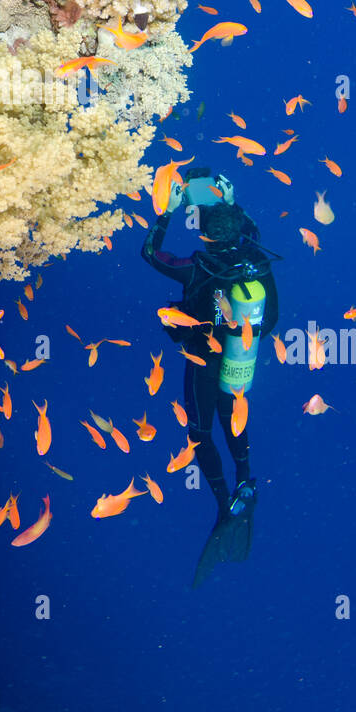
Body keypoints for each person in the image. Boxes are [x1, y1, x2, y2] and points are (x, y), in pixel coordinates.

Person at [141, 168, 280, 587]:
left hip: (203, 358)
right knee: (231, 416)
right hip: (240, 360)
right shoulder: (256, 258)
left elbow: (150, 253)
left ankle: (224, 504)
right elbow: (270, 319)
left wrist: (165, 212)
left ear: (202, 236)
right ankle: (246, 483)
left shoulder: (198, 266)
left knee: (200, 432)